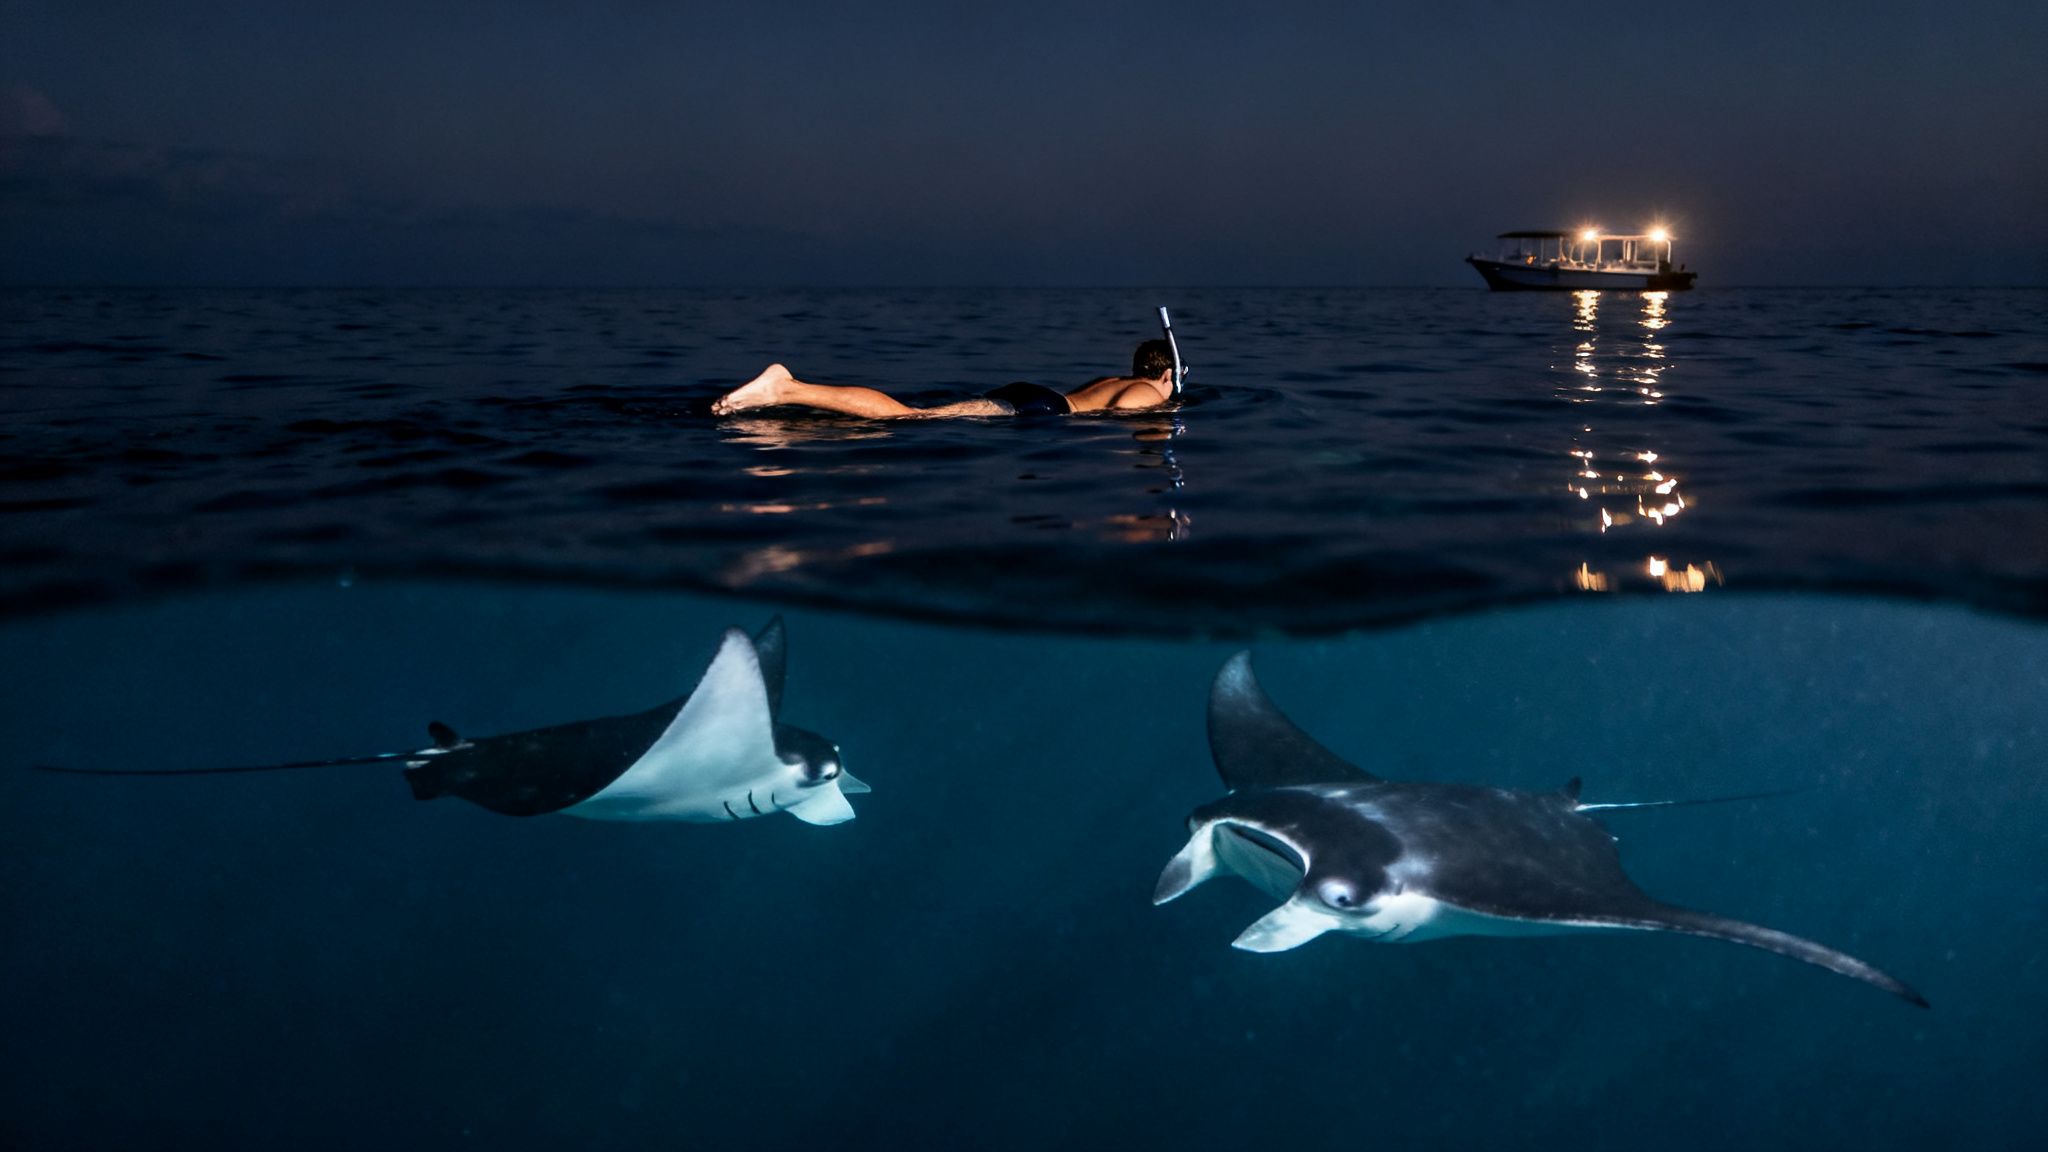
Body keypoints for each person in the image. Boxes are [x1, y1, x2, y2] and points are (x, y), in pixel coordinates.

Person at [710, 340, 1178, 419]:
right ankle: (788, 388)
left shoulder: (1114, 378)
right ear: (1165, 373)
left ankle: (793, 397)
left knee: (916, 416)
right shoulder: (1143, 390)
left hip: (1033, 397)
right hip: (1042, 410)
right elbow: (1125, 417)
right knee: (911, 418)